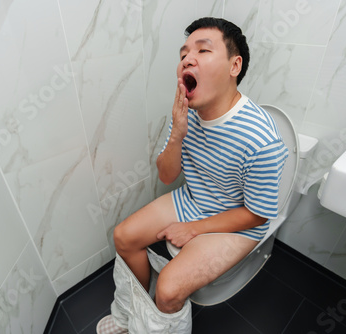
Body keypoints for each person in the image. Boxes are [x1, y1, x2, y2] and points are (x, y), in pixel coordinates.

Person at [97, 17, 288, 334]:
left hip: (238, 220)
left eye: (203, 50)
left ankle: (159, 314)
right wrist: (177, 134)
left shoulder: (261, 140)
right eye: (184, 53)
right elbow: (167, 175)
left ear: (234, 65)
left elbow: (257, 214)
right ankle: (138, 311)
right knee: (124, 237)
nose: (187, 58)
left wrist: (194, 229)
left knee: (169, 290)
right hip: (195, 199)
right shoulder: (186, 114)